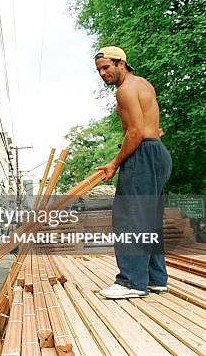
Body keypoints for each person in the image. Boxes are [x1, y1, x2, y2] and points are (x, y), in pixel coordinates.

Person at [94, 46, 172, 299]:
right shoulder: (143, 84)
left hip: (143, 154)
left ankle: (131, 282)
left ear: (121, 64)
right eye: (99, 70)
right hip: (157, 153)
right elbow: (150, 126)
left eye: (106, 67)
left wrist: (114, 164)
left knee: (130, 218)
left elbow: (136, 132)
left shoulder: (125, 90)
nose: (103, 73)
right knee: (148, 218)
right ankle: (154, 279)